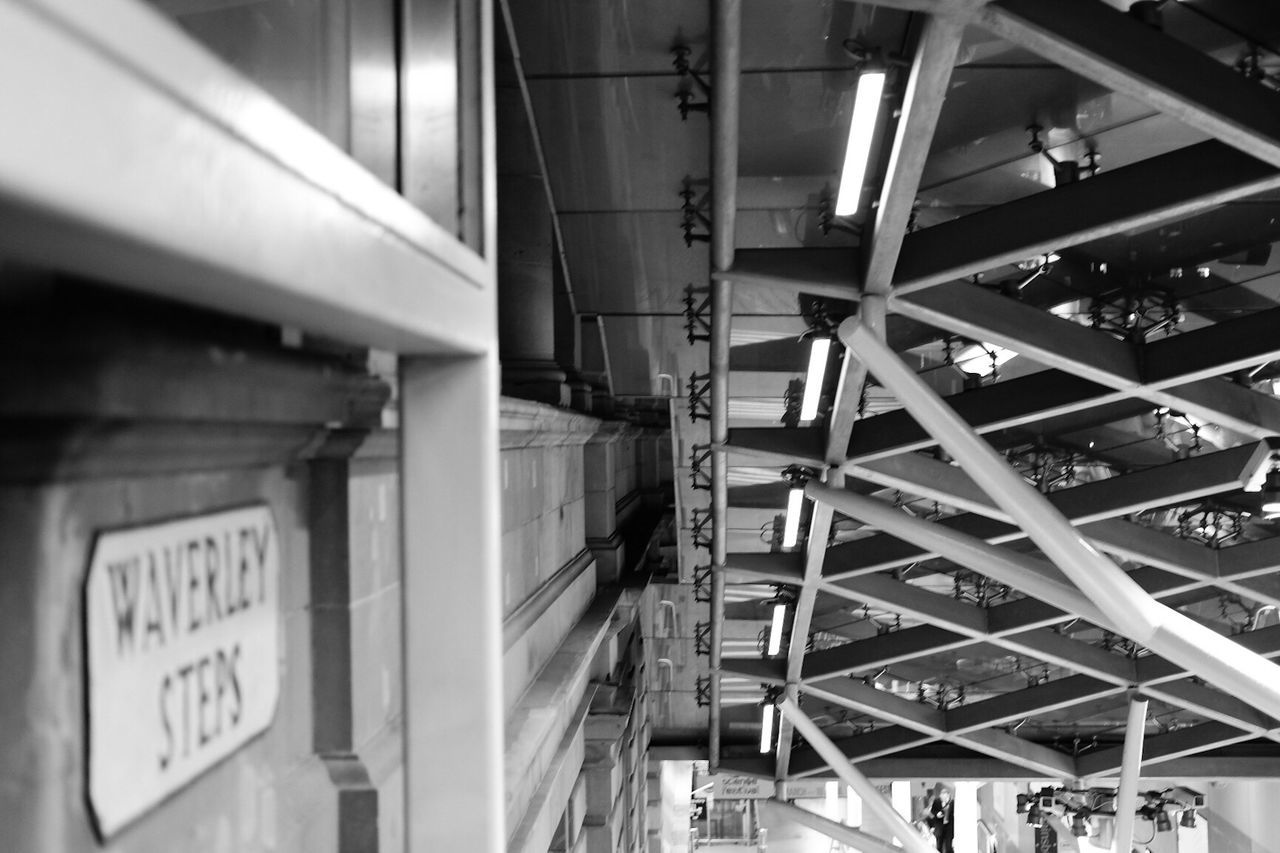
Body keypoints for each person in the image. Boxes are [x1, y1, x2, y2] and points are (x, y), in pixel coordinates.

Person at [928, 786, 955, 853]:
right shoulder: (937, 801)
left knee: (948, 845)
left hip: (949, 827)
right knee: (939, 845)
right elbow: (933, 811)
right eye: (941, 796)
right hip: (940, 826)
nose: (942, 797)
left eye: (944, 796)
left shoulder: (953, 803)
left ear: (948, 795)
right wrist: (937, 814)